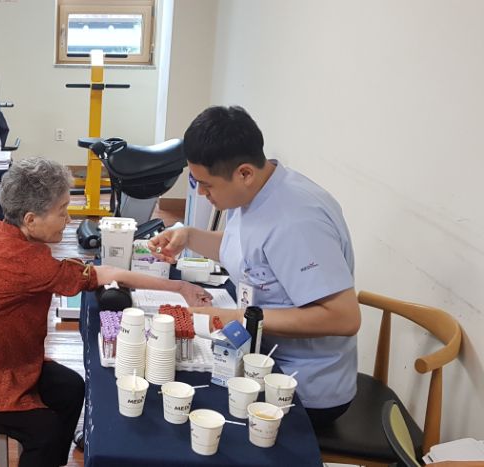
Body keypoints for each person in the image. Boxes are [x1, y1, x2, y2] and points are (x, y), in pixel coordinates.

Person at [0, 157, 212, 467]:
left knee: (71, 388)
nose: (68, 219)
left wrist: (179, 287)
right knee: (44, 431)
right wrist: (178, 287)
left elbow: (97, 273)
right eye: (62, 211)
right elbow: (104, 273)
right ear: (31, 220)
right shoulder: (28, 263)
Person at [149, 105, 360, 428]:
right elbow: (250, 254)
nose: (202, 193)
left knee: (185, 416)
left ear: (244, 173)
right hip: (259, 354)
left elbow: (344, 317)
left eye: (207, 185)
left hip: (300, 386)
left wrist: (236, 318)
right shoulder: (256, 190)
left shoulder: (297, 222)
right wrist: (188, 236)